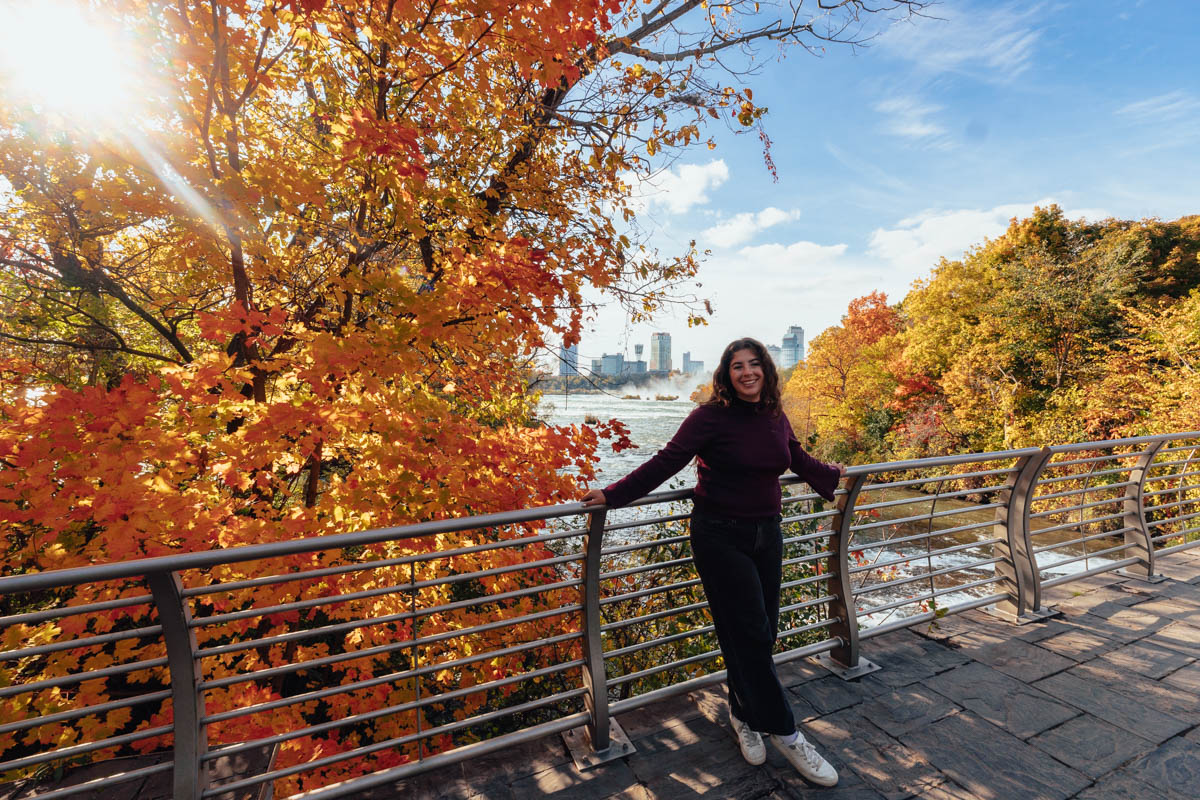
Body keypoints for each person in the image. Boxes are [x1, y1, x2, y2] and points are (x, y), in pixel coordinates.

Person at [581, 337, 844, 786]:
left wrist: (832, 475)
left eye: (754, 364)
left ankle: (743, 715)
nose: (747, 372)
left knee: (761, 632)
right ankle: (788, 732)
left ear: (766, 370)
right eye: (737, 366)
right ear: (726, 373)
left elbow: (793, 457)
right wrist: (612, 495)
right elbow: (667, 462)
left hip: (768, 534)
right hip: (720, 537)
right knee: (752, 633)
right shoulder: (708, 417)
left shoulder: (773, 415)